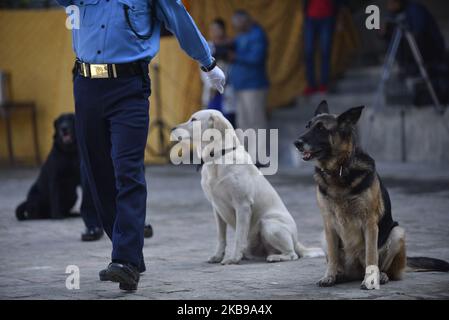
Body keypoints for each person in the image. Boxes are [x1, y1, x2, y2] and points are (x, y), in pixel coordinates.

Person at [57, 0, 225, 291]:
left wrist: (207, 62)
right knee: (98, 174)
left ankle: (126, 261)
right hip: (86, 85)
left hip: (129, 88)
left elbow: (178, 19)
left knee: (127, 170)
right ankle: (129, 250)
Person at [228, 10, 269, 164]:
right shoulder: (239, 36)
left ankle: (260, 157)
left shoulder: (257, 35)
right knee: (242, 122)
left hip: (254, 85)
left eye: (238, 23)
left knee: (256, 121)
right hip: (239, 85)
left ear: (245, 21)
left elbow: (257, 58)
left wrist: (236, 56)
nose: (236, 27)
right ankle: (246, 156)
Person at [201, 18, 235, 127]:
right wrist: (212, 84)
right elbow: (203, 69)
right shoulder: (207, 47)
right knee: (213, 126)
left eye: (217, 29)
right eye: (212, 29)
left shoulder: (231, 45)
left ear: (223, 30)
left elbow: (234, 67)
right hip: (212, 91)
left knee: (228, 124)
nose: (214, 32)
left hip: (228, 89)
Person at [303, 0, 342, 95]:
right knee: (308, 52)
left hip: (327, 18)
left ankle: (323, 84)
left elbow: (340, 3)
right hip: (310, 18)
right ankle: (311, 84)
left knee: (325, 51)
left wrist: (340, 20)